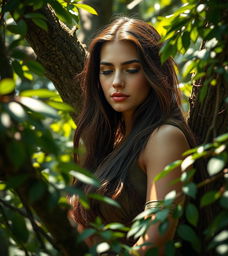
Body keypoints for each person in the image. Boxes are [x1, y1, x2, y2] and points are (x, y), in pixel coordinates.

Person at [69, 16, 196, 255]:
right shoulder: (106, 142)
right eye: (107, 71)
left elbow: (154, 242)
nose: (117, 82)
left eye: (131, 70)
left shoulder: (164, 137)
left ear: (153, 73)